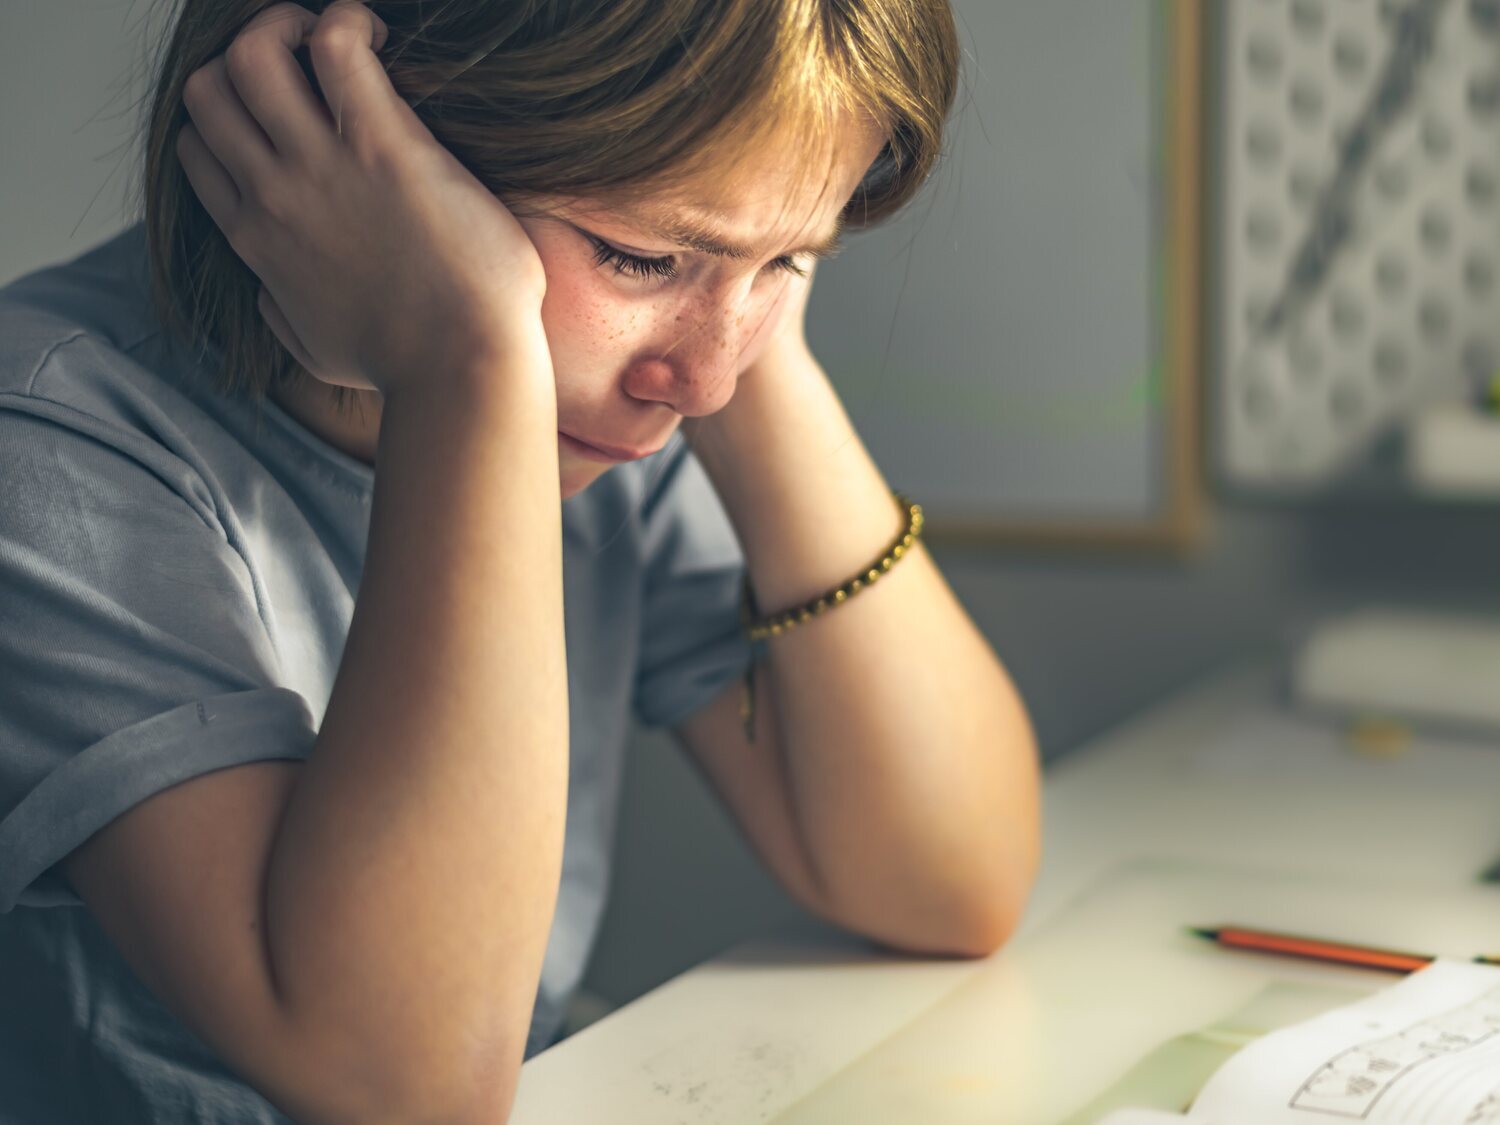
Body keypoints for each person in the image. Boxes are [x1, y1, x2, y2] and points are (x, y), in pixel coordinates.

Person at [0, 0, 1041, 1120]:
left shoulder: (608, 417)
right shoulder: (52, 449)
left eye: (791, 259)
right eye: (640, 256)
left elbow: (951, 880)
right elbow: (408, 1084)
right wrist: (466, 358)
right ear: (335, 135)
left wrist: (748, 304)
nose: (704, 384)